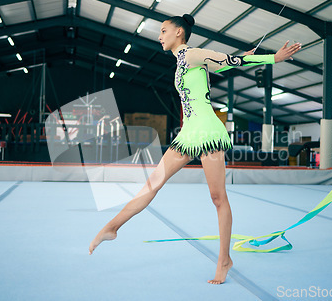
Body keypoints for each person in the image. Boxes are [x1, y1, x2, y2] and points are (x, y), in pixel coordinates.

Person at [89, 14, 301, 284]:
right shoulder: (184, 62)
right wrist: (235, 59)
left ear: (179, 32)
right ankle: (112, 227)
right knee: (153, 182)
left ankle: (224, 260)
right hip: (189, 133)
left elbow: (232, 61)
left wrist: (273, 58)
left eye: (163, 31)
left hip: (208, 131)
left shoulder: (191, 54)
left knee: (217, 197)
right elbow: (224, 65)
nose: (159, 36)